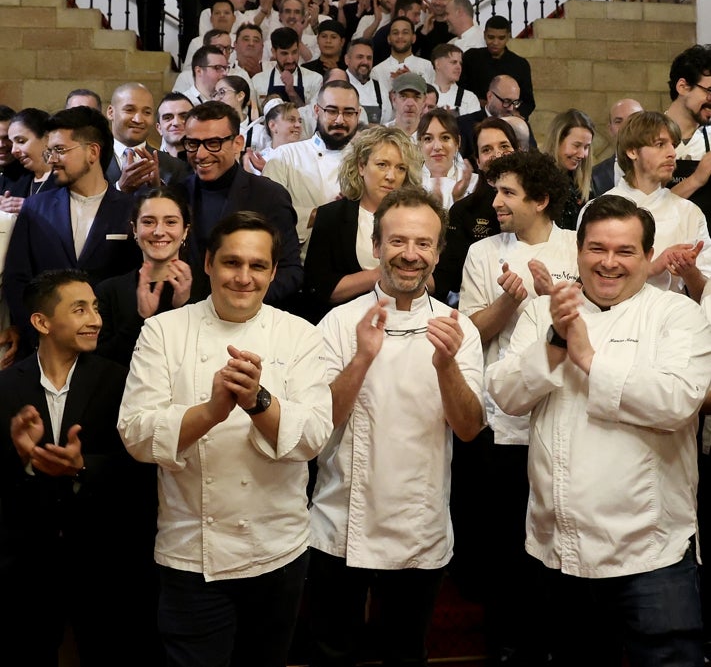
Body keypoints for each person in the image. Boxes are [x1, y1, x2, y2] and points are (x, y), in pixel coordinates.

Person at [488, 194, 711, 667]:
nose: (609, 263)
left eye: (625, 251)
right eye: (596, 249)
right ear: (579, 252)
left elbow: (677, 401)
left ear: (648, 257)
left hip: (651, 552)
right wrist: (554, 343)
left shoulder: (677, 315)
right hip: (558, 548)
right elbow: (506, 398)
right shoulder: (543, 313)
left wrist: (588, 358)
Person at [118, 212, 333, 667]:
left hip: (278, 549)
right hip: (190, 553)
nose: (243, 277)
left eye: (257, 266)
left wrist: (257, 401)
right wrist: (212, 411)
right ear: (209, 264)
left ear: (274, 272)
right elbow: (135, 433)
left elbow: (313, 437)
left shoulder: (301, 336)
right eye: (232, 263)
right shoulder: (163, 331)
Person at [308, 185, 485, 667]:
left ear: (438, 252)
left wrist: (447, 364)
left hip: (419, 523)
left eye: (424, 243)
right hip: (340, 522)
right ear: (376, 247)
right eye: (399, 242)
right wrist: (363, 358)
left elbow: (469, 430)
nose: (411, 255)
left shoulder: (459, 328)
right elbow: (316, 431)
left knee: (406, 655)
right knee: (332, 655)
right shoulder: (337, 325)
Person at [0, 269, 159, 667]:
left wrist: (82, 466)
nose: (96, 319)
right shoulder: (6, 387)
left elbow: (141, 466)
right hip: (26, 567)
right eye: (80, 309)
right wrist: (22, 458)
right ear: (42, 322)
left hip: (106, 562)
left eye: (96, 308)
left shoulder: (120, 380)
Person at [458, 149, 577, 664]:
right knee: (507, 545)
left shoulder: (578, 247)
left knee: (561, 535)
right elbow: (470, 335)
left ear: (542, 199)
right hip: (504, 422)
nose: (496, 201)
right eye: (495, 190)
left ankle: (559, 642)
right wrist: (510, 301)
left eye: (508, 192)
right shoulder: (483, 253)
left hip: (569, 414)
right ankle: (508, 646)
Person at [4, 107, 140, 355]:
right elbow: (18, 279)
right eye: (49, 151)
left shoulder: (131, 211)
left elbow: (135, 282)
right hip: (44, 347)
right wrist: (38, 335)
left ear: (93, 152)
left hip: (109, 350)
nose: (52, 159)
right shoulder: (36, 208)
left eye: (60, 150)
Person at [179, 100, 303, 306]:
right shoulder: (176, 194)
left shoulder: (269, 196)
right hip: (189, 318)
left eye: (213, 143)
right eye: (193, 143)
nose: (200, 154)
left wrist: (239, 300)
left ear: (238, 143)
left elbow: (290, 272)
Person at [303, 125, 423, 322]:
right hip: (345, 325)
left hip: (409, 322)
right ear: (361, 166)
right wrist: (382, 274)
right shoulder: (331, 216)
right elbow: (318, 288)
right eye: (382, 165)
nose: (391, 176)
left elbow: (436, 283)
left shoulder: (418, 217)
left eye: (400, 168)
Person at [599, 110, 711, 300]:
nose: (672, 153)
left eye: (673, 145)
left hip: (676, 321)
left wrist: (689, 272)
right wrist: (653, 268)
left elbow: (705, 295)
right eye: (660, 144)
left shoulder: (690, 213)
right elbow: (592, 284)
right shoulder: (600, 210)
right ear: (632, 151)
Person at [96, 186, 192, 367]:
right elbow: (102, 363)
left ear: (185, 230)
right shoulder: (109, 291)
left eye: (170, 222)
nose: (158, 231)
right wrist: (141, 317)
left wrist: (185, 308)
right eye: (148, 222)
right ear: (134, 229)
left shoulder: (207, 287)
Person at [262, 80, 360, 254]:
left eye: (348, 112)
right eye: (331, 111)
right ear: (316, 111)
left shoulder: (367, 161)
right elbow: (268, 214)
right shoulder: (284, 156)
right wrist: (322, 215)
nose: (340, 120)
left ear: (358, 115)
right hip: (298, 262)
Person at [434, 117, 520, 303]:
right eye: (487, 149)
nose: (497, 154)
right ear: (478, 162)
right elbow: (447, 279)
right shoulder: (462, 211)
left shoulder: (539, 205)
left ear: (518, 151)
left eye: (504, 146)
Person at [105, 82, 188, 192]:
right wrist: (120, 188)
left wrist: (157, 189)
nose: (138, 120)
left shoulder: (175, 168)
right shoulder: (93, 160)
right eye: (129, 110)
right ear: (111, 112)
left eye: (147, 112)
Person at [666, 45, 711, 227]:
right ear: (683, 87)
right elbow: (639, 210)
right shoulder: (643, 137)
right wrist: (696, 179)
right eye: (709, 91)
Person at [460, 15, 537, 119]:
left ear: (508, 36)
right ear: (484, 35)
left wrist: (516, 113)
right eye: (491, 37)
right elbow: (460, 90)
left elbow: (528, 102)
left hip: (507, 119)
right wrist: (477, 101)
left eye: (501, 38)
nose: (495, 42)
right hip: (475, 117)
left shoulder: (520, 64)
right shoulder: (471, 57)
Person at [542, 108, 595, 230]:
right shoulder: (536, 181)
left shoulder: (584, 186)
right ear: (557, 140)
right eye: (576, 145)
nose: (582, 154)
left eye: (586, 147)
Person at [418, 108, 475, 209]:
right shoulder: (408, 185)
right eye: (428, 139)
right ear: (419, 145)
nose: (437, 147)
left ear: (457, 142)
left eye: (445, 138)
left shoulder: (475, 183)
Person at [591, 97, 644, 195]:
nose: (626, 126)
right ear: (610, 129)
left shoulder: (664, 169)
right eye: (618, 121)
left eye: (633, 119)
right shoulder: (594, 177)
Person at [5, 108, 55, 210]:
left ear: (46, 138)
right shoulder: (14, 179)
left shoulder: (68, 179)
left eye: (21, 141)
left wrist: (33, 208)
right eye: (12, 143)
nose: (13, 150)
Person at [242, 99, 303, 175]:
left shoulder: (308, 156)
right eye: (291, 120)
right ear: (273, 126)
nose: (298, 125)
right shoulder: (259, 161)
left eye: (300, 121)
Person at [431, 43, 479, 114]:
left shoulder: (469, 98)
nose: (458, 67)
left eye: (460, 63)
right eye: (453, 62)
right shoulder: (422, 94)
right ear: (437, 64)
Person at [156, 92, 193, 158]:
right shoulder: (149, 165)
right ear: (159, 128)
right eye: (167, 118)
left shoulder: (208, 162)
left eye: (184, 116)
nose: (176, 123)